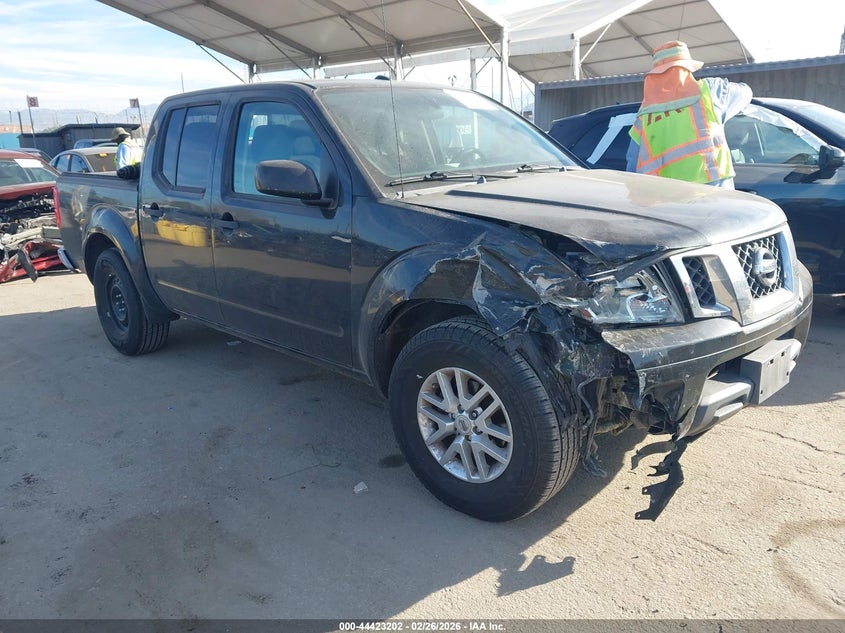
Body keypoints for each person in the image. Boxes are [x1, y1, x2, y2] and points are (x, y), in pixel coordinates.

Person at [626, 41, 752, 188]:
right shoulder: (710, 92)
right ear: (687, 68)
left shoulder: (644, 114)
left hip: (665, 201)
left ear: (655, 75)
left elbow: (632, 166)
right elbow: (746, 92)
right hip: (714, 199)